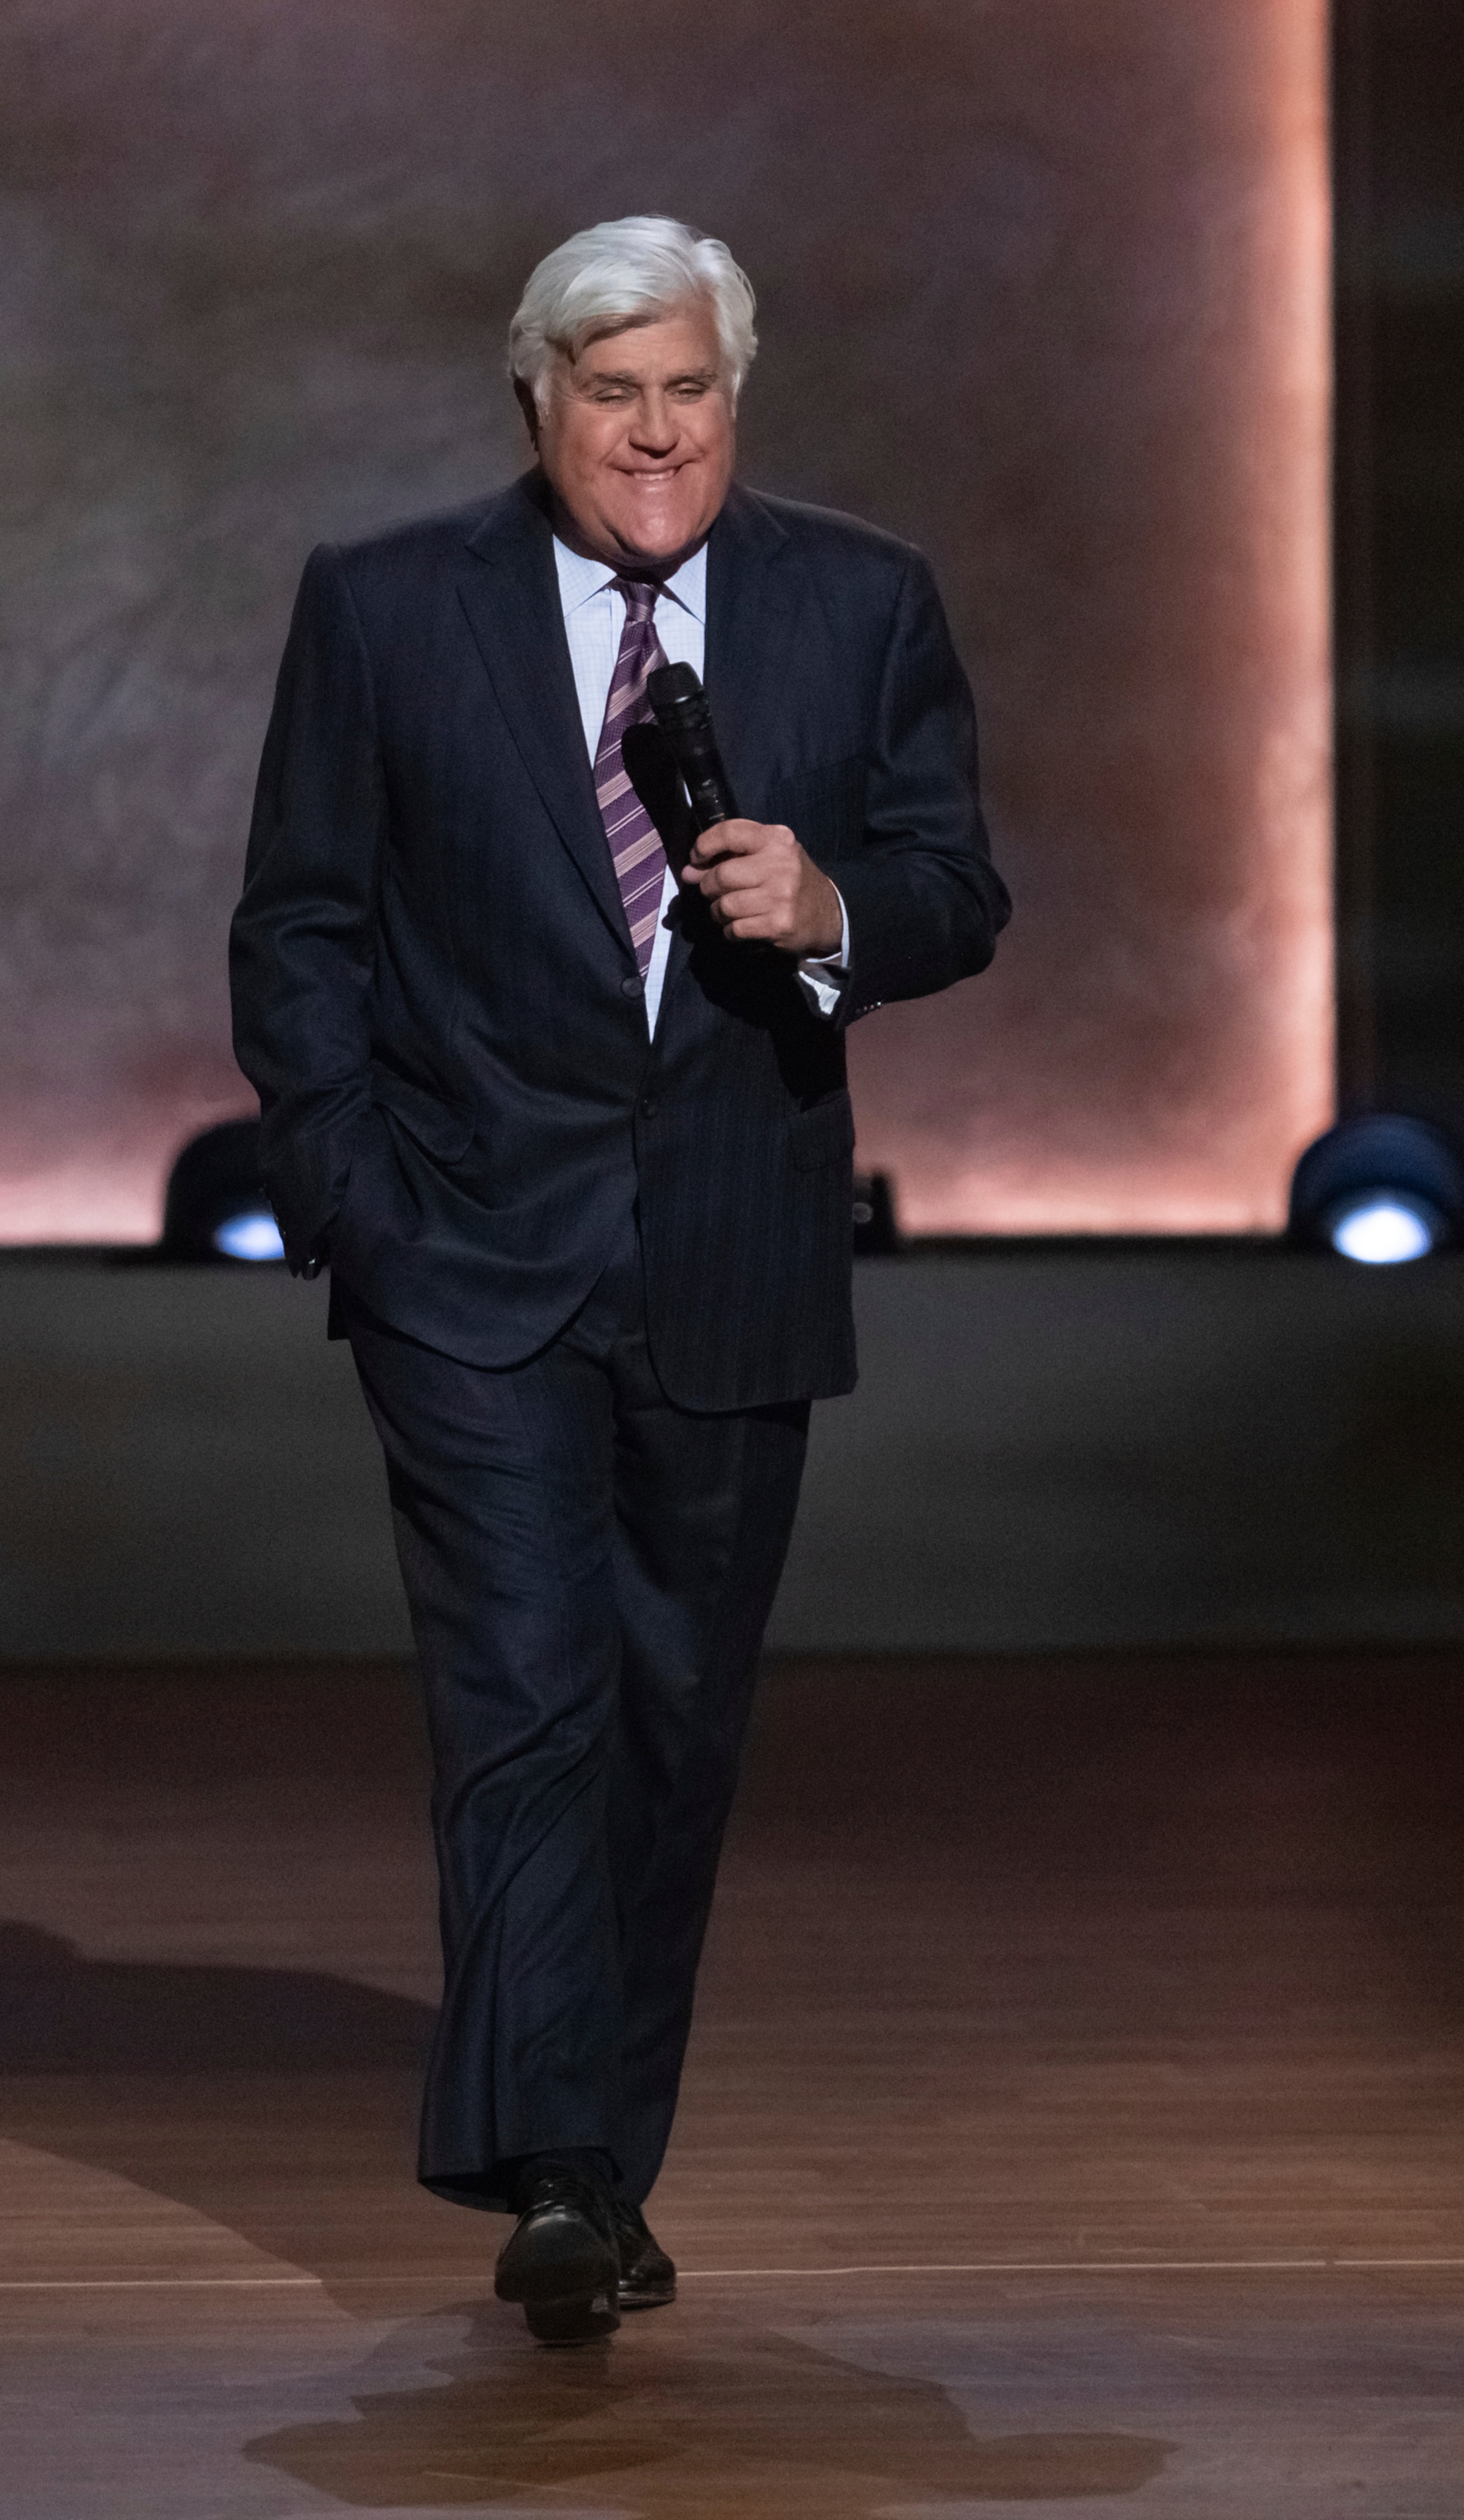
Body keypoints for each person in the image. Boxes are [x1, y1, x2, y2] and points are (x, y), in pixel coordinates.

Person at [229, 216, 1009, 2344]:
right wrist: (356, 1206)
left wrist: (836, 898)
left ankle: (597, 2150)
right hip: (467, 1262)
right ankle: (558, 2177)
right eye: (607, 393)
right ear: (536, 406)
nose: (650, 432)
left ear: (733, 399)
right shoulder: (388, 607)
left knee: (670, 1726)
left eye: (684, 390)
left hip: (737, 1261)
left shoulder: (861, 600)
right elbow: (301, 923)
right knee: (523, 1704)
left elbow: (962, 885)